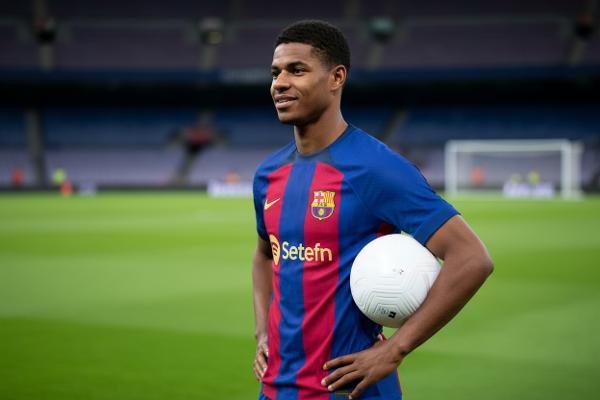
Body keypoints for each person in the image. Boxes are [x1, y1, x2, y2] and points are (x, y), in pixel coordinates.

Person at [251, 20, 493, 400]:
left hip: (350, 390)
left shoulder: (376, 169)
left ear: (336, 77)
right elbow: (266, 255)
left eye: (296, 70)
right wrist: (263, 332)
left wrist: (395, 349)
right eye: (275, 72)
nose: (279, 83)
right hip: (275, 389)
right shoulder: (268, 175)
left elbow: (471, 258)